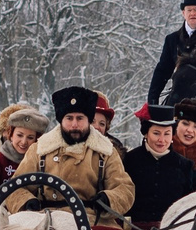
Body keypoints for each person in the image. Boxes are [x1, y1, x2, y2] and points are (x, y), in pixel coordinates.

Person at [13, 86, 135, 220]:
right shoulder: (40, 149)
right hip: (47, 221)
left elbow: (125, 189)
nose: (75, 124)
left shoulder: (106, 152)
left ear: (88, 120)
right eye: (69, 118)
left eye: (80, 118)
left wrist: (108, 198)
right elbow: (16, 187)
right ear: (61, 120)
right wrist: (27, 202)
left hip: (92, 222)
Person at [122, 106, 196, 230]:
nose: (162, 140)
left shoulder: (184, 165)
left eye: (167, 134)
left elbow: (186, 204)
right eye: (156, 133)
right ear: (146, 133)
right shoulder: (129, 160)